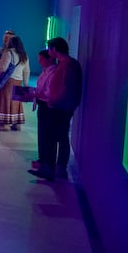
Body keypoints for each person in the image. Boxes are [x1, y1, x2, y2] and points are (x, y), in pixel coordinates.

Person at [31, 37, 83, 182]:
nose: (48, 52)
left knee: (56, 137)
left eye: (49, 49)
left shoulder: (68, 65)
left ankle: (54, 169)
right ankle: (52, 168)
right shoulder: (66, 64)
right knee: (56, 137)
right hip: (61, 106)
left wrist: (53, 101)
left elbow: (66, 89)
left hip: (61, 108)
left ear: (54, 49)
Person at [0, 33, 29, 131]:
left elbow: (3, 68)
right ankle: (16, 124)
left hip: (8, 81)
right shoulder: (24, 55)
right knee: (16, 102)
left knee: (5, 101)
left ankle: (5, 125)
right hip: (19, 81)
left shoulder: (8, 53)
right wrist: (26, 83)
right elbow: (26, 70)